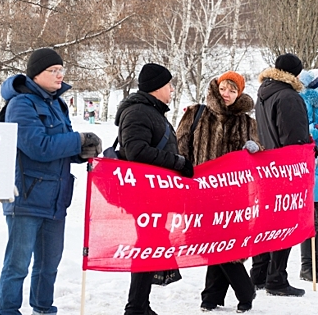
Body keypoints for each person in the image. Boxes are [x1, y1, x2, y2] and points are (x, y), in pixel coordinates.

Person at [0, 48, 102, 315]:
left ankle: (43, 309)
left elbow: (58, 150)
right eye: (53, 70)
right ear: (36, 75)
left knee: (49, 263)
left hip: (55, 198)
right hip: (26, 196)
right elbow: (37, 146)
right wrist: (77, 140)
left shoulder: (57, 104)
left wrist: (81, 152)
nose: (59, 75)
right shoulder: (21, 103)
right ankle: (7, 311)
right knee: (17, 264)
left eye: (61, 70)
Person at [115, 63, 194, 315]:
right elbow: (136, 150)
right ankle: (136, 306)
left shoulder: (151, 111)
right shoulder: (138, 112)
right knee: (146, 245)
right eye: (169, 84)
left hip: (155, 195)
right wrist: (178, 162)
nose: (172, 89)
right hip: (144, 195)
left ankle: (140, 304)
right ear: (158, 87)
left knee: (150, 245)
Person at [176, 71, 259, 313]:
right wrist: (184, 179)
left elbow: (258, 151)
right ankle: (244, 290)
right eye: (224, 88)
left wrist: (255, 148)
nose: (227, 94)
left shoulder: (247, 122)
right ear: (216, 87)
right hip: (202, 191)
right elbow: (181, 148)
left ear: (239, 93)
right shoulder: (196, 114)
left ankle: (212, 297)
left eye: (233, 90)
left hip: (234, 195)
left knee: (226, 242)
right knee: (211, 241)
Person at [250, 53, 309, 297]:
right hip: (286, 169)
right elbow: (294, 139)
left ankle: (260, 274)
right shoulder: (288, 97)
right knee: (285, 222)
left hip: (268, 168)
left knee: (267, 221)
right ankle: (277, 278)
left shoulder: (264, 93)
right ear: (295, 74)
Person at [297, 70, 318, 282]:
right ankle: (308, 267)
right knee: (312, 221)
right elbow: (307, 130)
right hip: (312, 166)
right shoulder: (307, 98)